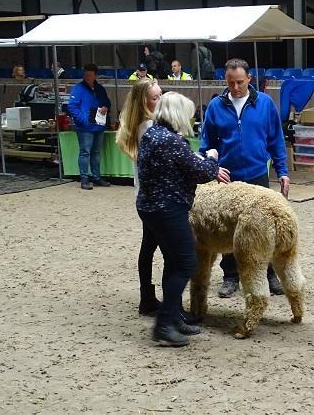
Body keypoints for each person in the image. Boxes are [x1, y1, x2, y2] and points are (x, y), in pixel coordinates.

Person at [137, 91, 223, 346]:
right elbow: (202, 172)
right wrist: (212, 158)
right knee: (186, 263)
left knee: (174, 262)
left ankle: (174, 317)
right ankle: (163, 325)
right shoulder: (172, 142)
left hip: (150, 207)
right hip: (168, 209)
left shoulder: (152, 134)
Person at [200, 58, 289, 298]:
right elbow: (206, 145)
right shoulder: (216, 107)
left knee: (263, 229)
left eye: (240, 82)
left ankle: (269, 273)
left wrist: (282, 171)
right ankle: (230, 276)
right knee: (228, 230)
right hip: (228, 180)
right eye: (231, 83)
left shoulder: (266, 104)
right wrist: (213, 169)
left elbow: (276, 141)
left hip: (258, 175)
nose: (236, 87)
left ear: (249, 79)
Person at [116, 78, 165, 316]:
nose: (160, 100)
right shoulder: (148, 128)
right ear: (144, 102)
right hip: (155, 199)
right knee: (165, 249)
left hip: (146, 197)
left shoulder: (141, 125)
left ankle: (148, 297)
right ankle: (161, 302)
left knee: (148, 247)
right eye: (155, 98)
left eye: (160, 95)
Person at [67, 63, 112, 190]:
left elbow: (107, 102)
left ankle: (96, 177)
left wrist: (106, 107)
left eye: (90, 75)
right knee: (85, 152)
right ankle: (84, 178)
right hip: (85, 126)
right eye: (86, 75)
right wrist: (83, 119)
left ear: (95, 76)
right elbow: (71, 106)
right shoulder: (78, 88)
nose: (87, 77)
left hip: (98, 125)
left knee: (95, 152)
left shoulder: (100, 89)